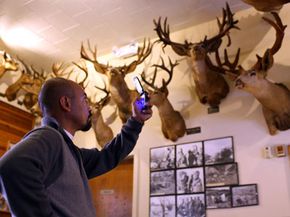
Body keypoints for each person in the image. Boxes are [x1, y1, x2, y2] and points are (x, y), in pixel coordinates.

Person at [0, 77, 152, 217]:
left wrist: (136, 120)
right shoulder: (49, 137)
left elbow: (110, 155)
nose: (90, 108)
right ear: (66, 103)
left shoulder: (70, 152)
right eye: (85, 100)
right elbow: (11, 166)